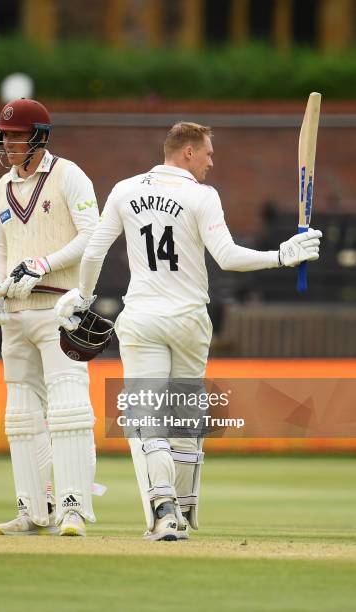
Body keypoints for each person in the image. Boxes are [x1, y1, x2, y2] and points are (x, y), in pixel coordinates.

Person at [55, 122, 322, 541]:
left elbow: (93, 251)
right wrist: (281, 256)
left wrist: (83, 297)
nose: (212, 162)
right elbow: (228, 257)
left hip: (142, 317)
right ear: (187, 153)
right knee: (182, 414)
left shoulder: (125, 190)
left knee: (147, 418)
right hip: (189, 320)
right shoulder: (202, 196)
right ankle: (179, 510)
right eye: (209, 154)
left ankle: (164, 513)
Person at [0, 98, 99, 537]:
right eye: (3, 136)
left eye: (14, 135)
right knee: (21, 415)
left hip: (61, 309)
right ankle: (33, 507)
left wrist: (43, 265)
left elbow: (92, 236)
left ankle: (73, 509)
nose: (6, 143)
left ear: (39, 137)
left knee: (68, 410)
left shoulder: (69, 175)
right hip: (16, 313)